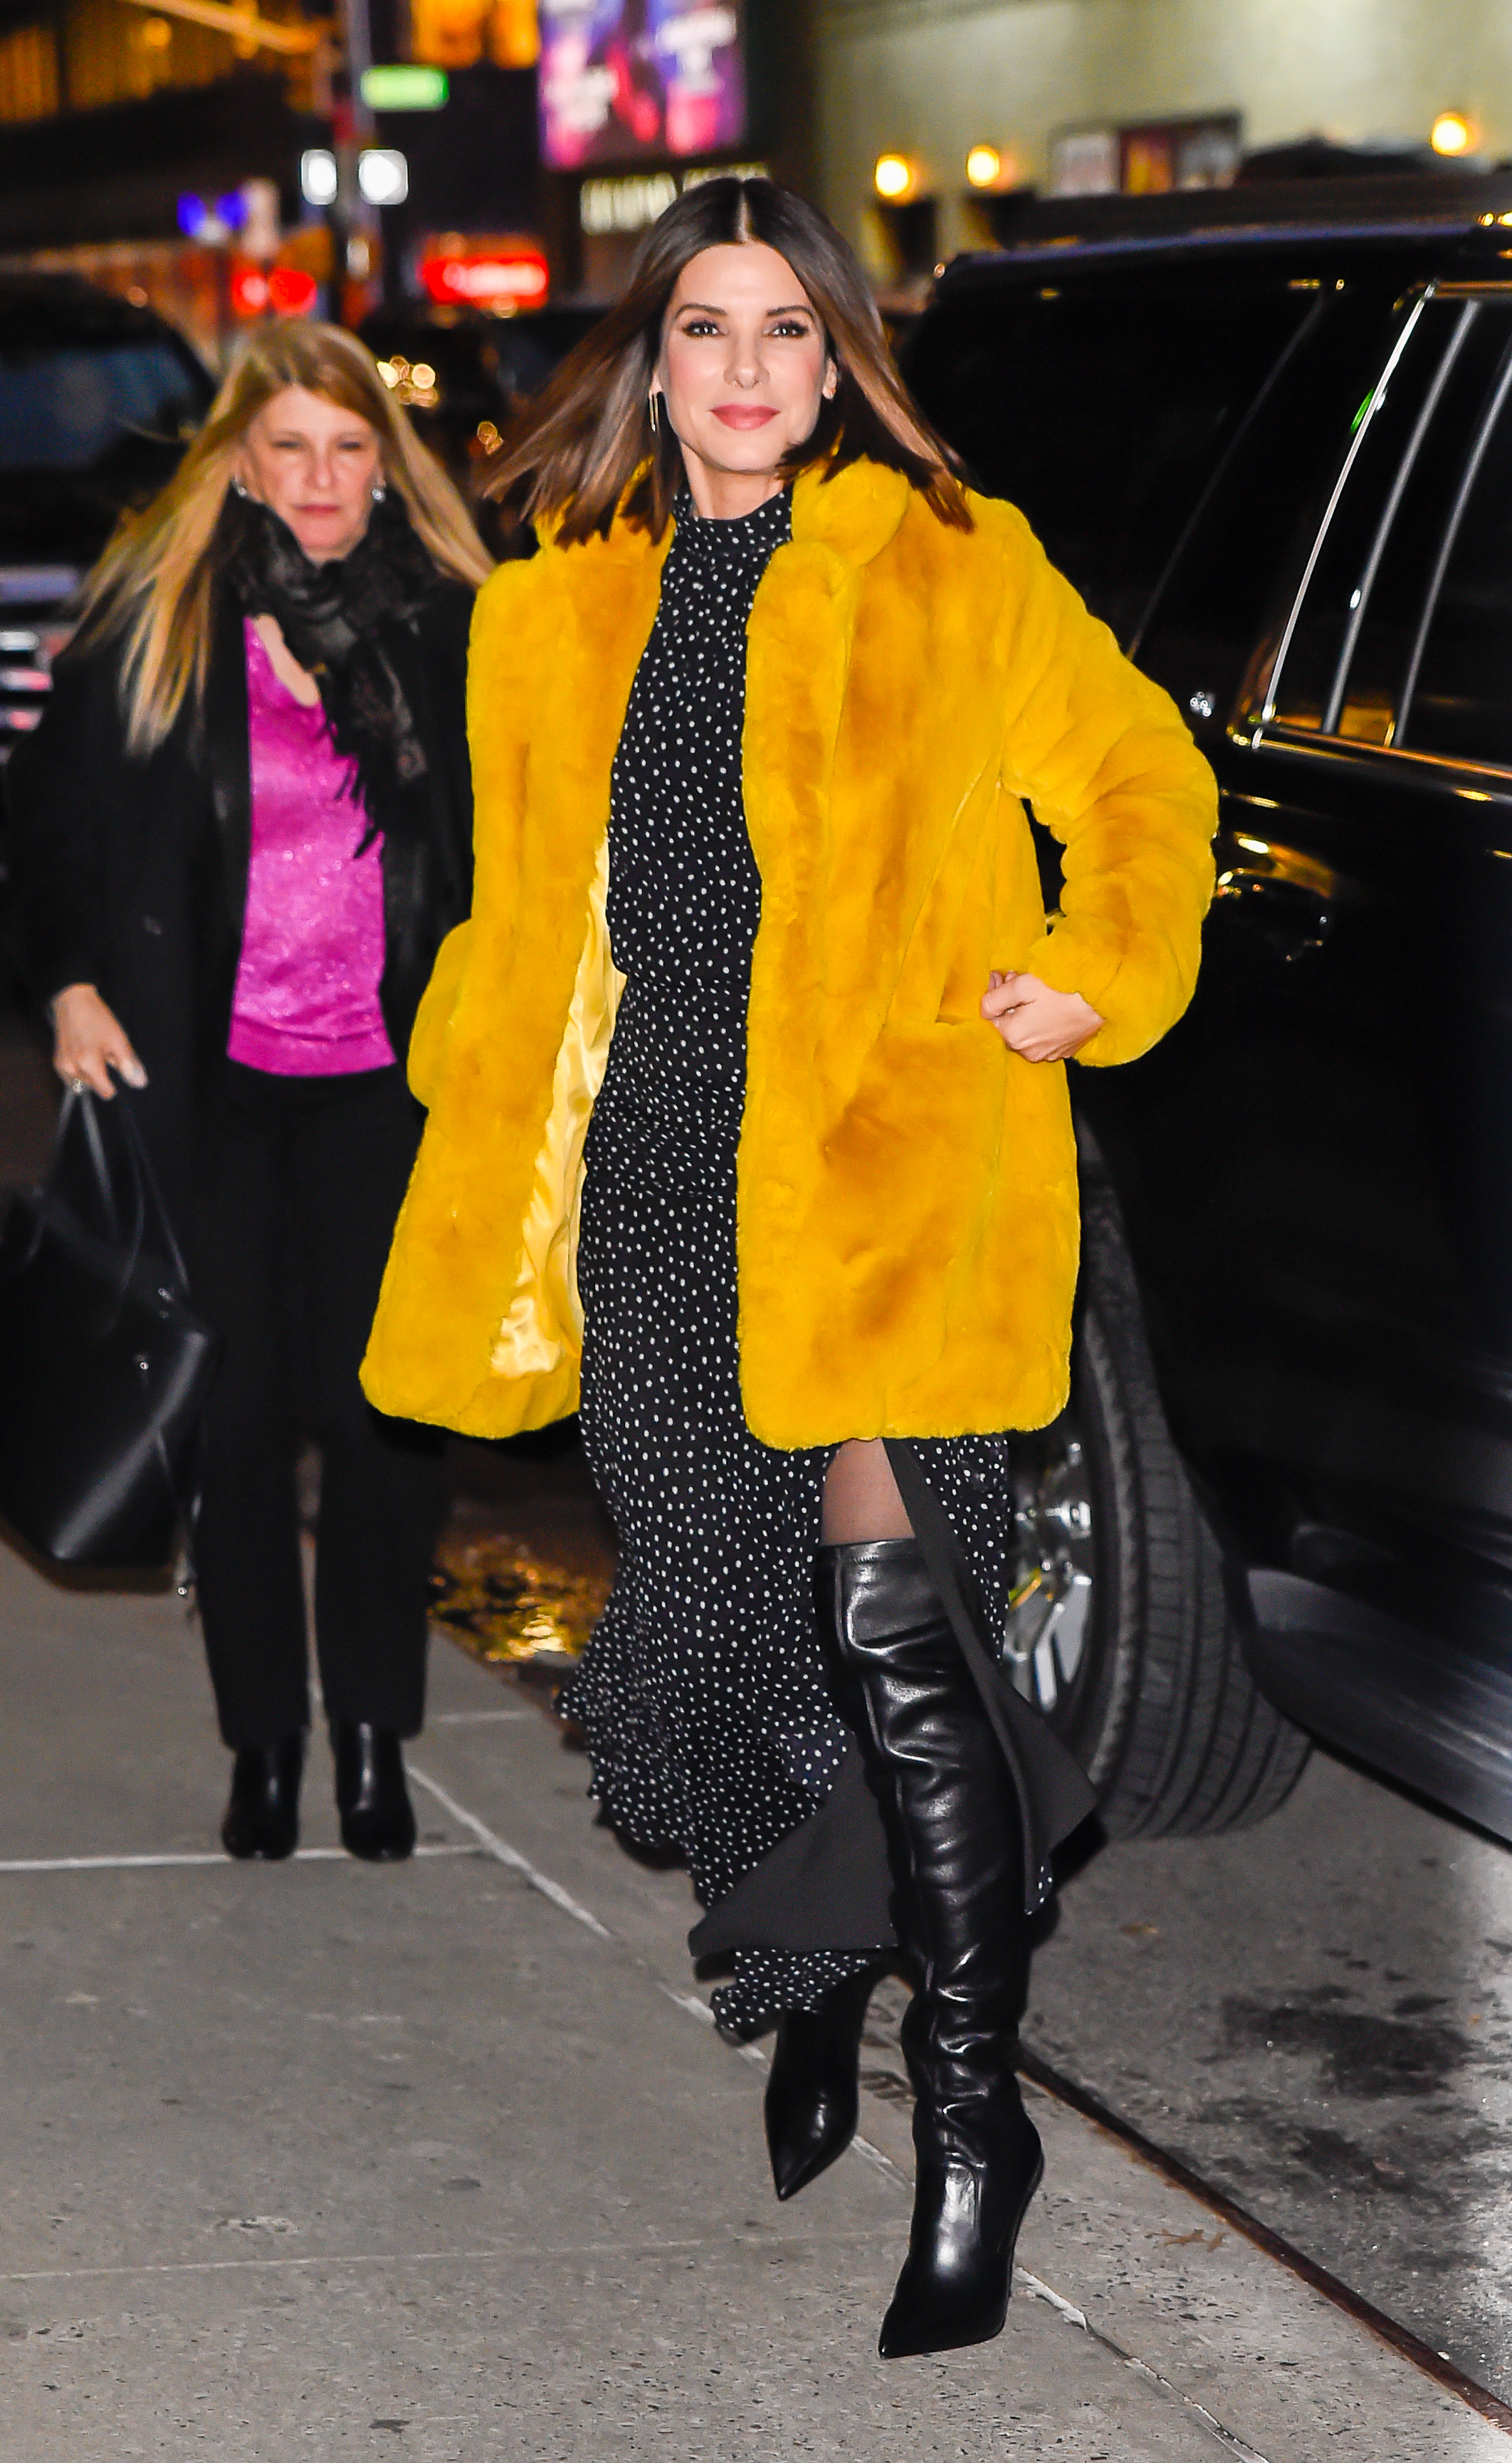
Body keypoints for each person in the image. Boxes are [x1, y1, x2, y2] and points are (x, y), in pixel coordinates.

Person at [361, 179, 1216, 2356]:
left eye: (784, 333)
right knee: (723, 1646)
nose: (744, 369)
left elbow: (1133, 770)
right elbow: (522, 913)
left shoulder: (952, 563)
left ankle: (969, 2130)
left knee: (896, 1627)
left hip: (883, 1171)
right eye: (707, 329)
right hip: (655, 1177)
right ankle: (813, 1957)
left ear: (836, 365)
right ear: (654, 359)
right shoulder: (548, 608)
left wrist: (1088, 971)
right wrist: (468, 1064)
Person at [7, 321, 490, 1865]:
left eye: (349, 448)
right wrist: (69, 975)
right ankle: (266, 1742)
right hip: (204, 1086)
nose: (323, 478)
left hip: (384, 1087)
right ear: (237, 459)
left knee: (378, 1423)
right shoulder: (156, 620)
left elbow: (523, 847)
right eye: (290, 447)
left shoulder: (450, 626)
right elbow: (49, 829)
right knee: (231, 1419)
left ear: (386, 459)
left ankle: (370, 1737)